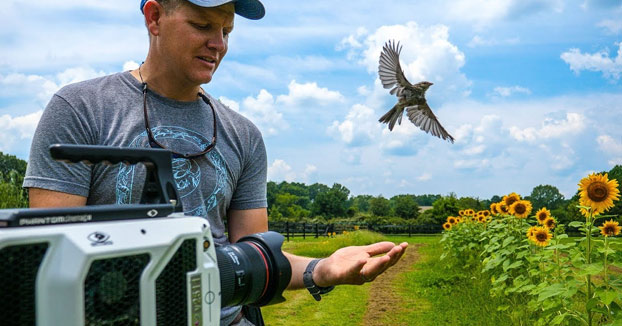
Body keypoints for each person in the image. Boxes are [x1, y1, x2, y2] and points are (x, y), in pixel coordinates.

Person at [23, 0, 408, 325]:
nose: (217, 44)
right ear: (154, 18)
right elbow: (51, 257)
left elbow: (252, 255)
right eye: (202, 24)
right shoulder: (80, 108)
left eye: (227, 30)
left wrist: (321, 269)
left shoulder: (244, 135)